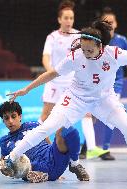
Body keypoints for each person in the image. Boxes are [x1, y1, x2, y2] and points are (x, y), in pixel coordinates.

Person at [7, 20, 127, 182]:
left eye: (90, 50)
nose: (85, 53)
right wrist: (27, 89)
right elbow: (52, 73)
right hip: (76, 98)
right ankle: (11, 158)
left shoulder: (114, 54)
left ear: (100, 46)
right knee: (47, 127)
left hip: (104, 99)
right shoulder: (76, 56)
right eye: (83, 49)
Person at [40, 0, 106, 159]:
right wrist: (52, 73)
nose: (69, 21)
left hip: (73, 83)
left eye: (71, 18)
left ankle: (91, 148)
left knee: (87, 114)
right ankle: (43, 145)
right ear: (59, 19)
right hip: (55, 82)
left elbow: (89, 57)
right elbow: (45, 58)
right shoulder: (52, 37)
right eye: (66, 18)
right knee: (45, 116)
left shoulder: (79, 37)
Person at [80, 7, 127, 160]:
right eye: (106, 22)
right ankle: (87, 147)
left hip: (115, 83)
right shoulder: (94, 40)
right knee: (91, 116)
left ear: (116, 24)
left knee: (112, 114)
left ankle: (105, 149)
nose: (109, 24)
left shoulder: (121, 41)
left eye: (112, 22)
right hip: (95, 82)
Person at [0, 101, 90, 182]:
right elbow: (3, 162)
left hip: (55, 159)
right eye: (6, 118)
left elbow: (48, 143)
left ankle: (75, 164)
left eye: (13, 116)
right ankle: (39, 175)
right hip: (34, 168)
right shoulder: (5, 141)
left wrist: (55, 156)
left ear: (20, 117)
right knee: (18, 167)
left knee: (66, 129)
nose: (10, 121)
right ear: (3, 121)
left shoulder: (33, 125)